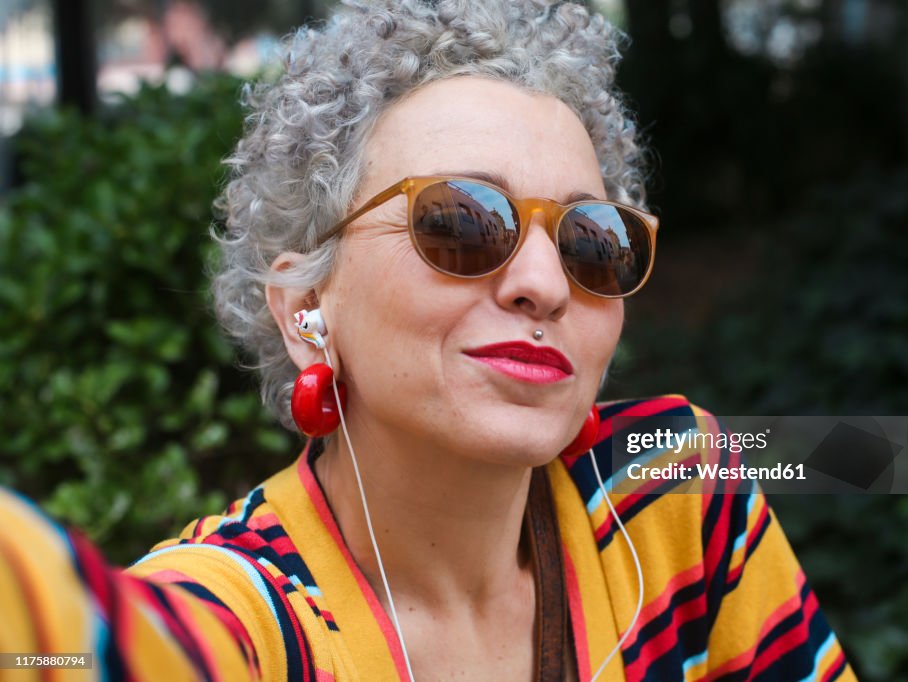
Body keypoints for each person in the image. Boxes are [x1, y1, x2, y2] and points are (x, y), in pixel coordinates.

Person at [0, 1, 856, 680]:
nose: (546, 284)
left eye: (592, 241)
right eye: (461, 223)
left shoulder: (675, 486)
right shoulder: (252, 620)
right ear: (307, 307)